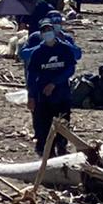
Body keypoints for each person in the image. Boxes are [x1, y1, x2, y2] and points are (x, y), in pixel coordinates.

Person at [24, 18, 82, 157]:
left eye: (49, 30)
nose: (47, 33)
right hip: (43, 96)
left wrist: (55, 83)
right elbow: (31, 75)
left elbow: (70, 69)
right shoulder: (38, 52)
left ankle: (62, 147)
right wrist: (31, 96)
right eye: (44, 31)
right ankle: (46, 152)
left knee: (63, 123)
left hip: (62, 94)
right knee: (43, 125)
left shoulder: (64, 48)